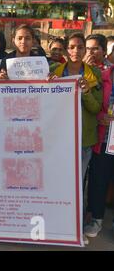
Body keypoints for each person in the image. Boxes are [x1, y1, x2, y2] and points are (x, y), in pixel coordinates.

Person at [49, 33, 102, 182]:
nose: (76, 51)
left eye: (80, 47)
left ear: (85, 50)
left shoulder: (94, 74)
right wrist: (47, 84)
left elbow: (96, 108)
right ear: (66, 51)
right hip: (57, 138)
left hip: (83, 140)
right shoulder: (53, 70)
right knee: (56, 180)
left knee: (77, 181)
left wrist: (86, 92)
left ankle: (78, 207)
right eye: (71, 47)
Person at [85, 61, 114, 239]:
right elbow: (92, 104)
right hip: (104, 139)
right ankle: (96, 218)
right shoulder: (101, 77)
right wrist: (100, 116)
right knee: (99, 180)